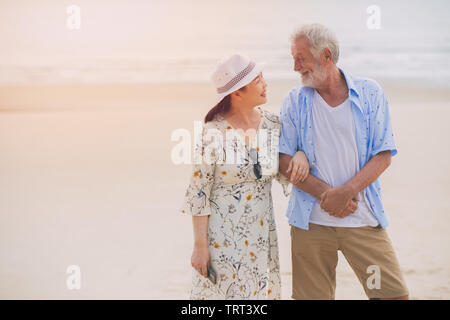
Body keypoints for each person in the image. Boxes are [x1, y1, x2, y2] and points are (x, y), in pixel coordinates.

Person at [278, 23, 409, 300]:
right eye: (293, 59)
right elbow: (284, 160)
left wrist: (347, 192)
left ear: (325, 55)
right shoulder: (294, 101)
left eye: (300, 58)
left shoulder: (370, 92)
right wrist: (329, 195)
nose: (295, 67)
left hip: (362, 218)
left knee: (392, 295)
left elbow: (383, 154)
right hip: (311, 223)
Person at [181, 53, 309, 299]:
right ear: (237, 92)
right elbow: (199, 194)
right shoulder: (212, 134)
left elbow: (291, 160)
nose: (265, 84)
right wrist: (199, 247)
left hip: (261, 238)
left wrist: (301, 153)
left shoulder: (273, 124)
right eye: (258, 80)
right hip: (221, 241)